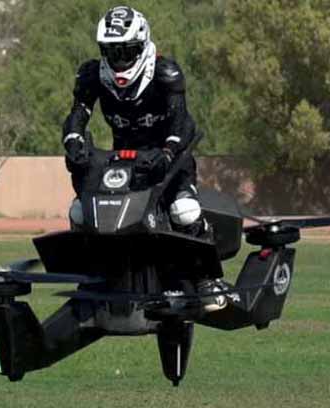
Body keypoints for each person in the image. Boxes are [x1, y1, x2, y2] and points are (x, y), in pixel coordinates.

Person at [62, 5, 230, 311]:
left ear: (142, 45)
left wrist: (167, 152)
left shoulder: (166, 73)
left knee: (185, 211)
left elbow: (183, 122)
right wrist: (73, 142)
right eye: (112, 52)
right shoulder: (91, 75)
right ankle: (92, 278)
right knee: (80, 213)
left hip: (169, 158)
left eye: (126, 51)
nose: (119, 60)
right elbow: (77, 116)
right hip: (122, 161)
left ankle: (208, 280)